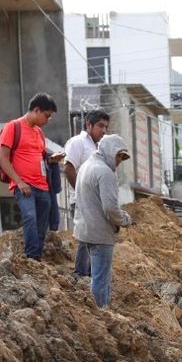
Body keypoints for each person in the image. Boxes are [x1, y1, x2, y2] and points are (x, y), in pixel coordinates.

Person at [0, 92, 57, 261]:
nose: (48, 120)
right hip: (24, 186)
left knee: (42, 225)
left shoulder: (39, 133)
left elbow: (40, 158)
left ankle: (36, 258)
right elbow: (1, 158)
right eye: (47, 115)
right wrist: (19, 182)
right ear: (36, 110)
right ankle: (31, 258)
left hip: (42, 186)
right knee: (30, 217)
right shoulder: (13, 127)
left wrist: (52, 160)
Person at [74, 134, 133, 309]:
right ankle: (101, 312)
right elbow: (110, 208)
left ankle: (100, 311)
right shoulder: (105, 172)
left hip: (85, 230)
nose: (119, 161)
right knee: (100, 279)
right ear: (110, 151)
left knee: (98, 276)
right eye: (118, 156)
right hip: (100, 233)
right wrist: (124, 219)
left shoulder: (86, 166)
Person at [64, 111, 110, 278]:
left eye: (106, 127)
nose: (104, 130)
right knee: (86, 236)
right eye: (100, 126)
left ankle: (89, 274)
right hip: (82, 200)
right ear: (88, 124)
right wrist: (82, 193)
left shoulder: (98, 148)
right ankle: (81, 274)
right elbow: (68, 168)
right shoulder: (78, 142)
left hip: (96, 202)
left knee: (94, 238)